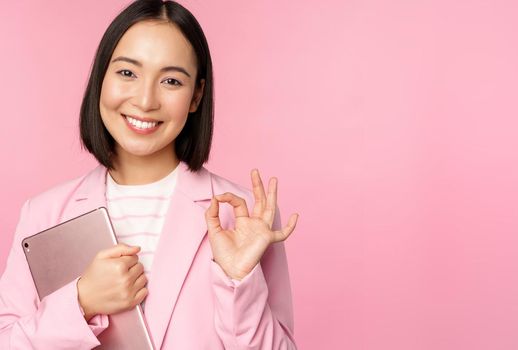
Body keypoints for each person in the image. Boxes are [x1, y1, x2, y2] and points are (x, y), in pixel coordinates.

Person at [0, 0, 299, 349]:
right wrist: (80, 302)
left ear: (196, 95)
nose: (145, 100)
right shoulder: (43, 213)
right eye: (127, 73)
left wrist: (239, 280)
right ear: (102, 76)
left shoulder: (242, 215)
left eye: (171, 80)